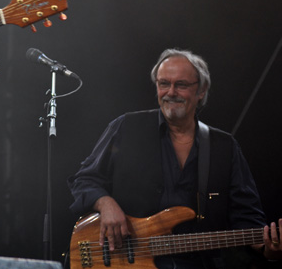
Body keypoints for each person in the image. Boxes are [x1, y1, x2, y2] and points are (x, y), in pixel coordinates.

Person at [67, 48, 282, 268]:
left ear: (201, 90)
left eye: (181, 85)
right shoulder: (125, 127)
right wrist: (106, 204)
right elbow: (84, 179)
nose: (171, 92)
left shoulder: (224, 146)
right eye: (163, 84)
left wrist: (269, 248)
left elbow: (247, 216)